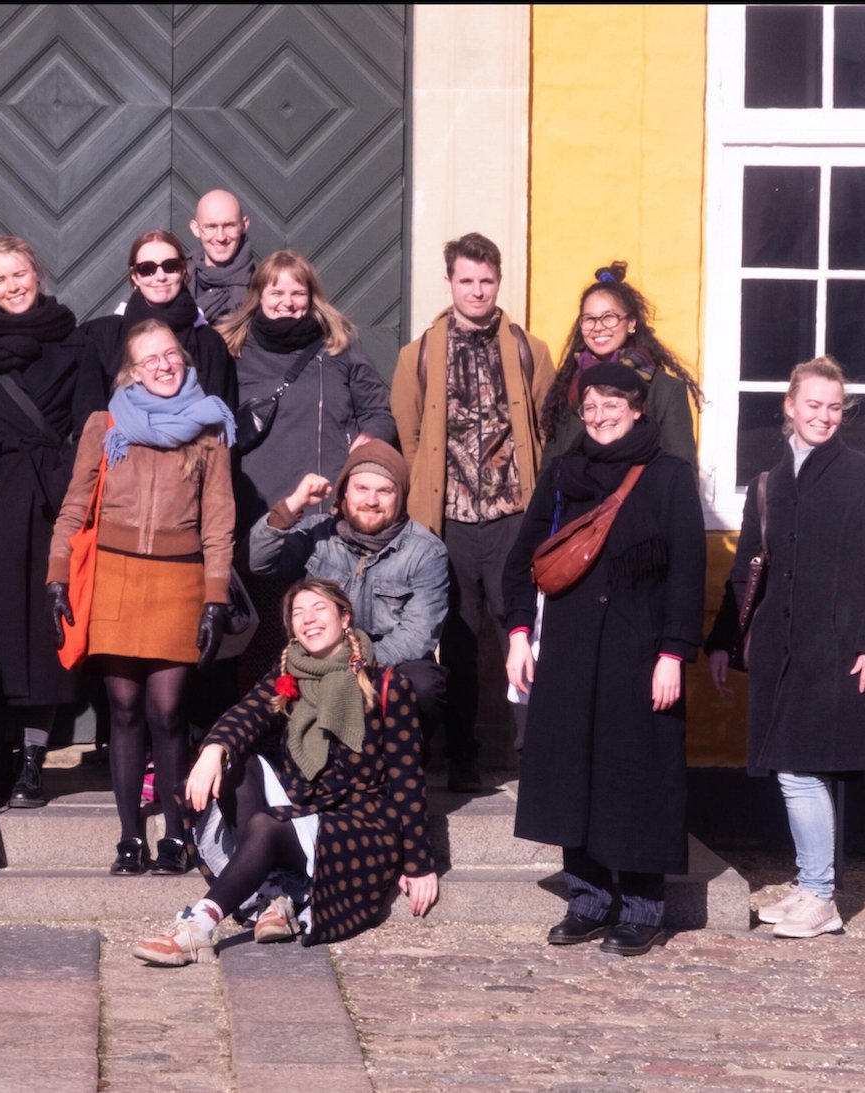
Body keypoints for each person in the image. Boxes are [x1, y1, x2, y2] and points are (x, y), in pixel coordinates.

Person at [503, 360, 706, 958]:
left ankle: (642, 909)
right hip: (569, 650)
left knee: (636, 776)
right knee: (573, 773)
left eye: (611, 404)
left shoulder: (669, 476)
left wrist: (673, 653)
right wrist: (518, 634)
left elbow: (688, 573)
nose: (599, 416)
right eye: (589, 407)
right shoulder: (564, 473)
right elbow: (522, 559)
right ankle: (587, 901)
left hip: (638, 651)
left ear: (637, 409)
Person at [131, 578, 438, 965]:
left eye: (319, 609)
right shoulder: (287, 676)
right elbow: (246, 714)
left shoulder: (388, 685)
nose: (308, 619)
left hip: (358, 825)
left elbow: (407, 780)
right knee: (235, 765)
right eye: (298, 613)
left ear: (344, 617)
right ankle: (275, 893)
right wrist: (213, 749)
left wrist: (418, 864)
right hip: (302, 807)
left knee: (267, 824)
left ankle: (198, 927)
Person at [706, 356, 865, 940]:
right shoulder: (768, 483)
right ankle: (809, 883)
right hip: (779, 648)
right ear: (789, 406)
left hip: (835, 648)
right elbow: (746, 571)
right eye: (813, 404)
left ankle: (820, 896)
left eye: (834, 407)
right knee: (792, 766)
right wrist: (722, 642)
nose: (824, 416)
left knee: (800, 768)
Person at [48, 320, 237, 875]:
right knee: (125, 710)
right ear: (131, 371)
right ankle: (130, 836)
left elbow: (219, 522)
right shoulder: (104, 425)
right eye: (150, 359)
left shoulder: (210, 427)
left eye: (171, 354)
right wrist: (57, 575)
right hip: (115, 576)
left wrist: (215, 597)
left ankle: (176, 834)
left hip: (179, 581)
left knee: (168, 710)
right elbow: (74, 506)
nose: (163, 365)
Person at [0, 235, 104, 808]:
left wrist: (62, 483)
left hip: (49, 509)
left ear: (38, 274)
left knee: (44, 635)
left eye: (20, 274)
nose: (12, 286)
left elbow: (91, 426)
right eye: (0, 278)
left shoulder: (74, 343)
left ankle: (33, 761)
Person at [392, 232, 556, 790]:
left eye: (486, 280)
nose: (477, 290)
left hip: (514, 516)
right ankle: (461, 755)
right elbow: (410, 440)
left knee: (522, 633)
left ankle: (531, 754)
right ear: (450, 282)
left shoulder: (530, 350)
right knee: (457, 640)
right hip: (449, 522)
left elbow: (547, 428)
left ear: (498, 281)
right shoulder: (417, 355)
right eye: (467, 280)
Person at [246, 438, 450, 737]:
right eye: (361, 488)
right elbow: (258, 561)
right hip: (319, 652)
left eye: (384, 491)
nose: (371, 500)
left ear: (400, 496)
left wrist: (353, 664)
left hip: (386, 659)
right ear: (344, 492)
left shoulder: (426, 551)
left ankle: (409, 756)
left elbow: (418, 635)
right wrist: (293, 504)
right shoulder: (316, 533)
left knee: (423, 684)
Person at [218, 249, 397, 527]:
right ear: (259, 296)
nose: (287, 303)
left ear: (311, 297)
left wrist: (372, 437)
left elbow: (377, 412)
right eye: (276, 293)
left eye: (298, 293)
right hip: (256, 505)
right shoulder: (232, 349)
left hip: (326, 504)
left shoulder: (339, 345)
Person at [542, 262, 701, 468]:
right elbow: (549, 468)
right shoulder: (567, 387)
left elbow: (683, 471)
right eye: (589, 319)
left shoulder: (665, 391)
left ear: (631, 323)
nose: (598, 327)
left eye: (609, 317)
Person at [82, 228, 237, 409]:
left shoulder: (209, 343)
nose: (160, 277)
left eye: (171, 266)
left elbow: (223, 413)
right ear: (135, 276)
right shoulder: (102, 337)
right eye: (147, 269)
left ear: (183, 270)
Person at [187, 188, 255, 325]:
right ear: (195, 228)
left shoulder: (261, 284)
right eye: (211, 227)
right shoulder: (175, 279)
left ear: (244, 225)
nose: (220, 237)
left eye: (229, 225)